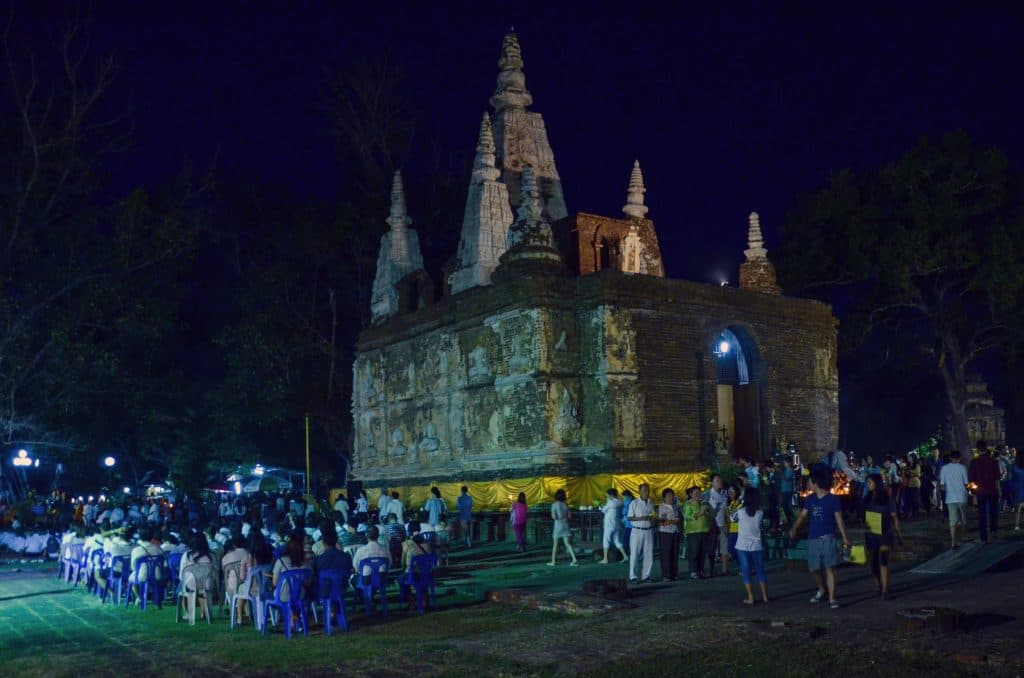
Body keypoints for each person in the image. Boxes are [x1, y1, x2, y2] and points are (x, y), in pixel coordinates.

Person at [788, 466, 851, 609]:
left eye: (810, 481)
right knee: (814, 569)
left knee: (830, 568)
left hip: (828, 538)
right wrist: (794, 528)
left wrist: (845, 537)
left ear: (816, 483)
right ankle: (822, 589)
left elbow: (839, 519)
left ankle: (832, 598)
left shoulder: (833, 499)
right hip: (813, 539)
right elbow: (803, 516)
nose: (809, 484)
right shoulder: (810, 499)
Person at [864, 473, 902, 600]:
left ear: (877, 483)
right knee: (873, 563)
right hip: (871, 534)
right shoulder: (868, 497)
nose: (868, 485)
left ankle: (885, 591)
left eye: (870, 482)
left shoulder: (887, 498)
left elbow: (894, 517)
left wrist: (898, 535)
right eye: (867, 482)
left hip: (885, 533)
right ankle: (878, 585)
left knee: (883, 561)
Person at [734, 486, 768, 605]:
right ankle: (764, 596)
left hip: (742, 545)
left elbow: (732, 519)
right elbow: (762, 527)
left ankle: (750, 596)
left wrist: (739, 502)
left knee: (746, 570)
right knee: (760, 570)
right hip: (757, 545)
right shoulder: (760, 512)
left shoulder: (739, 512)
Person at [969, 447, 1002, 543]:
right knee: (993, 512)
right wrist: (999, 490)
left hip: (980, 491)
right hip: (992, 490)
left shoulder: (974, 462)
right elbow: (997, 478)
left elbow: (971, 480)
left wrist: (973, 493)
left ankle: (983, 536)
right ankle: (993, 531)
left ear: (978, 450)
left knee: (982, 513)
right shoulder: (993, 461)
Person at [128, 525, 165, 602]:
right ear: (152, 537)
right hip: (158, 575)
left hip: (142, 576)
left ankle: (140, 598)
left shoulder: (136, 550)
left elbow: (133, 567)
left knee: (132, 579)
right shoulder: (159, 548)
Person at [626, 484, 655, 583]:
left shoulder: (651, 503)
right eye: (644, 491)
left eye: (647, 490)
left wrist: (653, 519)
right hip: (637, 531)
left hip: (649, 530)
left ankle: (646, 576)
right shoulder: (634, 503)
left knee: (649, 554)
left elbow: (653, 515)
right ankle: (633, 576)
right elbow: (629, 517)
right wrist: (641, 518)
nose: (646, 492)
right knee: (634, 554)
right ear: (639, 492)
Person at [683, 486, 711, 579]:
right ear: (691, 494)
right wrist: (701, 513)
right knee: (694, 552)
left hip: (704, 530)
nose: (698, 495)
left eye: (699, 493)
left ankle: (701, 570)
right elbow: (688, 516)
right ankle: (693, 571)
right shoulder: (688, 504)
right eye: (696, 493)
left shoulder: (703, 503)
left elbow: (710, 515)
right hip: (693, 532)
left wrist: (707, 513)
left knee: (702, 552)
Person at [656, 489, 682, 581]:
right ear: (664, 498)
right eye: (669, 496)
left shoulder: (676, 506)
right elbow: (661, 522)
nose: (671, 497)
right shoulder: (661, 507)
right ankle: (666, 575)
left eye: (672, 495)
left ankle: (674, 574)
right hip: (665, 533)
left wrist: (677, 522)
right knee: (666, 554)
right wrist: (673, 521)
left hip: (675, 532)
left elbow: (679, 518)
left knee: (674, 553)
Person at [548, 489, 578, 566]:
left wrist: (557, 517)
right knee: (567, 543)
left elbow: (554, 517)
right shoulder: (566, 505)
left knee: (555, 545)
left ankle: (553, 561)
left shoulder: (554, 505)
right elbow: (570, 516)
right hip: (566, 524)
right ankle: (574, 559)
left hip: (558, 525)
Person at [599, 488, 627, 564]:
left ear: (611, 495)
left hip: (609, 524)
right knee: (617, 541)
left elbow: (603, 510)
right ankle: (625, 556)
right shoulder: (620, 502)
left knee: (606, 540)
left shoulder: (610, 503)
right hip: (617, 525)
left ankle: (605, 559)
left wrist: (600, 506)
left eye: (607, 495)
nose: (606, 496)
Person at [779, 457, 797, 527]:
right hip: (784, 490)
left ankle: (791, 519)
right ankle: (791, 518)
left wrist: (781, 472)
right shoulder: (786, 470)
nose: (784, 464)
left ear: (789, 463)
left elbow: (786, 478)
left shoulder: (790, 470)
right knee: (785, 505)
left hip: (788, 490)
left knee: (785, 505)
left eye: (785, 462)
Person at [903, 454, 922, 519]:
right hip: (907, 484)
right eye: (908, 457)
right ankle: (910, 515)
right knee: (909, 500)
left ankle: (916, 515)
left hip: (915, 484)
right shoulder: (906, 466)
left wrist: (908, 472)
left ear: (913, 458)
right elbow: (905, 473)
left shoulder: (917, 465)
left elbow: (917, 473)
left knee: (915, 500)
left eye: (910, 457)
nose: (908, 458)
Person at [1010, 450, 1024, 531]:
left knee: (1017, 509)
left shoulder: (1014, 467)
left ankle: (1017, 525)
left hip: (1018, 489)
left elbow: (1012, 478)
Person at [621, 490, 635, 555]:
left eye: (624, 496)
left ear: (627, 495)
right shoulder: (630, 501)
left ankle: (627, 553)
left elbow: (625, 511)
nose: (624, 497)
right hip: (629, 523)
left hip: (630, 524)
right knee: (628, 539)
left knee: (627, 539)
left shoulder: (629, 502)